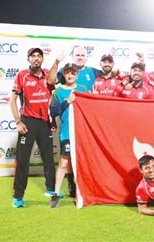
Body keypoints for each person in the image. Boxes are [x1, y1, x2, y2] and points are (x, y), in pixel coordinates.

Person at [10, 47, 58, 208]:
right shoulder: (22, 75)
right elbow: (13, 100)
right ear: (28, 59)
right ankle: (18, 196)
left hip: (44, 123)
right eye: (32, 56)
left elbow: (51, 91)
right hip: (27, 123)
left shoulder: (47, 74)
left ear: (43, 59)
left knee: (49, 159)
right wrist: (18, 121)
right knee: (23, 161)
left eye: (38, 56)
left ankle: (50, 189)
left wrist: (51, 118)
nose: (36, 58)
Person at [48, 63, 88, 207]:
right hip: (67, 133)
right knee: (64, 162)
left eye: (73, 73)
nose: (70, 75)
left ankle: (82, 192)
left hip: (82, 133)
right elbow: (53, 112)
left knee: (82, 162)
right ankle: (56, 193)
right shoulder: (58, 92)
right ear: (64, 75)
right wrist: (67, 101)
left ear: (77, 74)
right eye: (67, 73)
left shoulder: (83, 89)